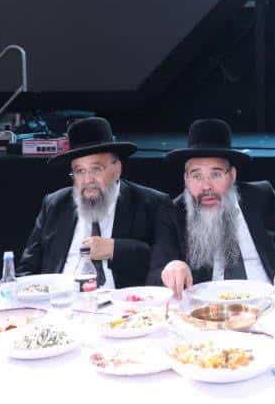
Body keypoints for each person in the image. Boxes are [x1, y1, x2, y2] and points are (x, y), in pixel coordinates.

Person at [148, 119, 275, 297]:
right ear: (186, 179)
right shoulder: (173, 212)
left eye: (216, 174)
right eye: (196, 176)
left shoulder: (261, 196)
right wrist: (172, 267)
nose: (206, 186)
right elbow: (155, 275)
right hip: (208, 307)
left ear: (232, 175)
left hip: (269, 300)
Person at [18, 118, 168, 288]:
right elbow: (26, 270)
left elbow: (165, 264)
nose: (88, 179)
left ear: (117, 169)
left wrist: (114, 249)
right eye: (80, 171)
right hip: (61, 299)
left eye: (96, 169)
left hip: (120, 302)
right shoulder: (54, 204)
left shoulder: (151, 204)